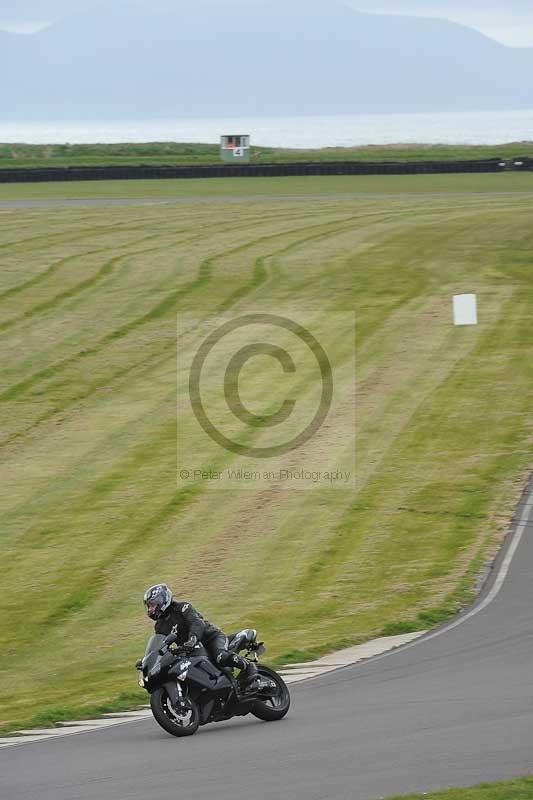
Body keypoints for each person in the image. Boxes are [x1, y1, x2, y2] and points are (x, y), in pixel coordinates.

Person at [143, 584, 258, 688]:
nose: (150, 609)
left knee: (221, 656)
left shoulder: (183, 607)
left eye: (152, 605)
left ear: (163, 600)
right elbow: (161, 644)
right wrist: (153, 659)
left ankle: (248, 666)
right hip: (190, 649)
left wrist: (192, 639)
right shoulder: (159, 626)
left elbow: (196, 623)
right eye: (148, 606)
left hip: (211, 638)